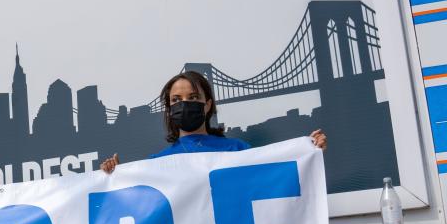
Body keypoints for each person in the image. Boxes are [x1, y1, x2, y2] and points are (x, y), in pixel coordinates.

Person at [101, 70, 326, 173]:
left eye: (193, 97)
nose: (185, 104)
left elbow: (273, 176)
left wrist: (308, 151)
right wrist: (115, 176)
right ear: (169, 110)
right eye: (176, 100)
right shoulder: (155, 164)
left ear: (207, 104)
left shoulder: (237, 150)